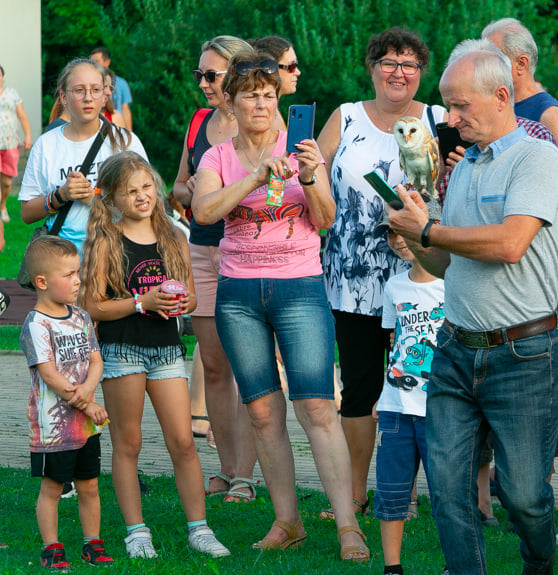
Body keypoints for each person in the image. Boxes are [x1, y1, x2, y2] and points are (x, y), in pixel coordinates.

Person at [387, 41, 558, 575]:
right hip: (454, 348)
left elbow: (511, 244)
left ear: (502, 96)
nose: (450, 117)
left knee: (526, 497)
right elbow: (448, 264)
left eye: (461, 105)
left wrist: (428, 229)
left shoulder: (537, 158)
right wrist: (414, 235)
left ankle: (539, 563)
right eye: (448, 105)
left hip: (524, 354)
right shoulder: (462, 167)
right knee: (447, 488)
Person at [193, 48, 368, 561]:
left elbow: (327, 219)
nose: (262, 106)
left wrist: (310, 176)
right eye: (251, 97)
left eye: (269, 96)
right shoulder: (218, 158)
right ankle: (287, 520)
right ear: (233, 101)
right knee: (264, 413)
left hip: (298, 287)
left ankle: (348, 526)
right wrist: (252, 179)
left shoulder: (303, 148)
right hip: (240, 294)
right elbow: (203, 210)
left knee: (316, 405)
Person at [318, 27, 446, 518]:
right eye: (389, 62)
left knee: (414, 384)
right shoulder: (346, 116)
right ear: (372, 69)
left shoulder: (437, 119)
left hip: (419, 277)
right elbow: (312, 182)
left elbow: (453, 186)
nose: (399, 72)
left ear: (420, 74)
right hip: (352, 279)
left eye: (409, 64)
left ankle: (404, 492)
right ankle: (354, 492)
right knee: (360, 387)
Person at [79, 151, 229, 559]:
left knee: (183, 441)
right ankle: (136, 531)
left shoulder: (173, 236)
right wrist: (142, 302)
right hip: (122, 351)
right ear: (111, 198)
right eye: (130, 191)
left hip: (166, 351)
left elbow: (192, 294)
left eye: (147, 187)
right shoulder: (107, 240)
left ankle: (199, 529)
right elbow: (93, 306)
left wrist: (182, 304)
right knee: (128, 443)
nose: (142, 197)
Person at [171, 34, 260, 504]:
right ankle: (227, 468)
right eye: (199, 75)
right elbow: (179, 187)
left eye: (212, 75)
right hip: (202, 250)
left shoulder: (260, 118)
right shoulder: (201, 121)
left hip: (246, 250)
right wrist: (197, 193)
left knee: (250, 364)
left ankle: (246, 474)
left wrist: (219, 192)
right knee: (214, 365)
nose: (203, 84)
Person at [19, 236, 113, 570]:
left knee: (89, 484)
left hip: (86, 427)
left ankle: (93, 543)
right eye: (69, 274)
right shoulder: (36, 326)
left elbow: (96, 360)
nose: (78, 280)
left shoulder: (82, 317)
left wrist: (88, 389)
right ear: (42, 282)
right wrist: (88, 404)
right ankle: (52, 548)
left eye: (78, 272)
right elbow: (50, 375)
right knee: (53, 487)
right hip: (53, 428)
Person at [372, 200, 444, 575]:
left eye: (406, 230)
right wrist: (383, 394)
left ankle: (456, 563)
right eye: (392, 232)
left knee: (447, 495)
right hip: (396, 406)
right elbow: (394, 341)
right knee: (391, 490)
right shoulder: (394, 286)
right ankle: (392, 567)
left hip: (439, 409)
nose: (399, 239)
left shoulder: (452, 285)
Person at [19, 58, 146, 253]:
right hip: (63, 261)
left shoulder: (125, 142)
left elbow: (148, 203)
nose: (88, 97)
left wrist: (96, 199)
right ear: (63, 96)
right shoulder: (46, 145)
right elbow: (27, 213)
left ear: (105, 96)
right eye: (79, 90)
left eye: (95, 90)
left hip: (117, 254)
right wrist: (60, 195)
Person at [481, 18, 558, 256]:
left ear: (521, 64)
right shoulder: (497, 106)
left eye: (492, 58)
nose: (484, 65)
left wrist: (556, 265)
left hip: (531, 251)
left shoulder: (548, 115)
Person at [0, 64, 32, 223]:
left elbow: (22, 115)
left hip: (10, 143)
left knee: (6, 181)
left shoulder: (12, 94)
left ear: (2, 77)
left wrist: (28, 136)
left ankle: (3, 205)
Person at [89, 47, 132, 130]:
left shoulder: (122, 83)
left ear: (107, 62)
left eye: (97, 61)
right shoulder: (88, 82)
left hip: (115, 123)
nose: (93, 65)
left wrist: (129, 134)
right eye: (91, 62)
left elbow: (125, 110)